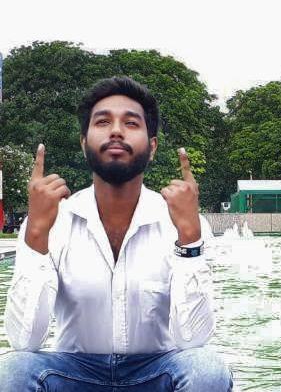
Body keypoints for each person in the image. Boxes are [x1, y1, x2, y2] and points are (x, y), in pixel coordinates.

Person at [0, 77, 233, 391]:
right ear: (84, 143)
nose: (116, 131)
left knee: (207, 368)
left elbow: (193, 340)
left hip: (155, 372)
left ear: (152, 147)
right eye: (103, 121)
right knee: (12, 369)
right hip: (76, 374)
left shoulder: (182, 222)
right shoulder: (53, 219)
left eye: (131, 123)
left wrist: (189, 239)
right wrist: (37, 234)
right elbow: (24, 341)